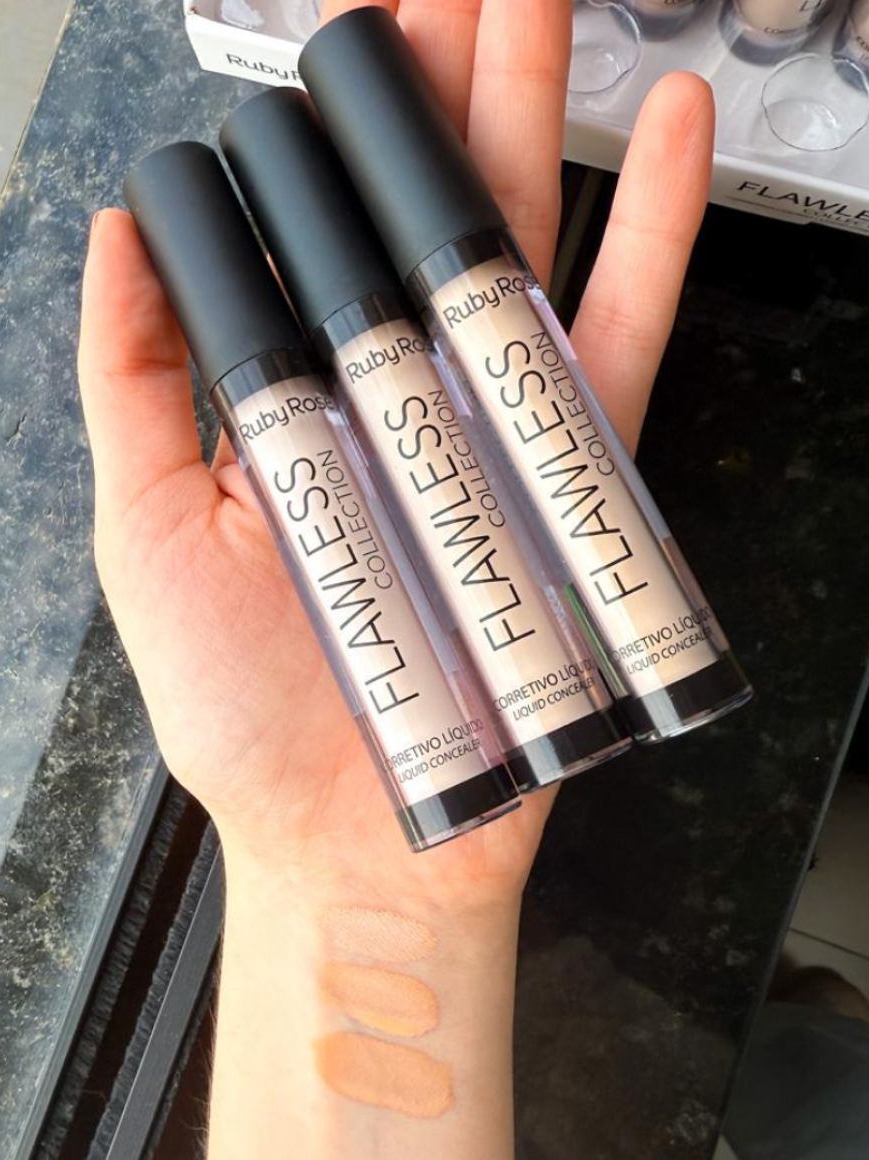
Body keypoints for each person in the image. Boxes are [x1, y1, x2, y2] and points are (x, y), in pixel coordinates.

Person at [77, 0, 716, 1154]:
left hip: (420, 336)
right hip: (417, 757)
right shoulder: (303, 397)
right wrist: (322, 865)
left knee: (507, 461)